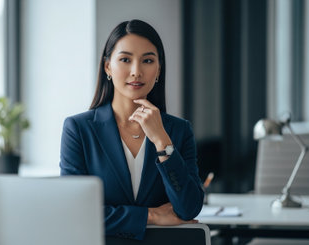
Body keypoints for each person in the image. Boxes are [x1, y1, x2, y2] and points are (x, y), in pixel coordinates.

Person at [60, 19, 204, 240]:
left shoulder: (179, 131)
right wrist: (151, 215)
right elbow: (74, 213)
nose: (136, 71)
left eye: (147, 60)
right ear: (108, 66)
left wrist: (162, 142)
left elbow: (189, 208)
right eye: (125, 59)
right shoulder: (78, 129)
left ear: (158, 70)